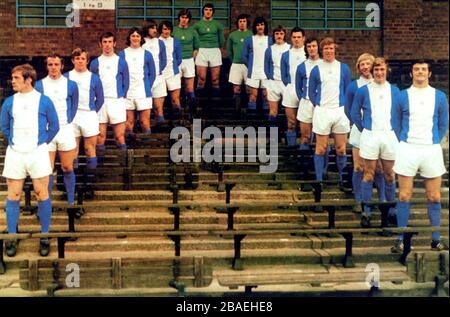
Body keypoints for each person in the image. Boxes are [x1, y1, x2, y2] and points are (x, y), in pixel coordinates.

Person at [1, 64, 59, 257]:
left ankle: (44, 235)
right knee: (13, 194)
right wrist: (16, 143)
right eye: (12, 77)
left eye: (16, 78)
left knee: (41, 193)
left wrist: (40, 143)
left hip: (38, 152)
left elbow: (55, 126)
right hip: (16, 153)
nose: (12, 81)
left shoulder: (44, 101)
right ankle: (11, 237)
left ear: (28, 80)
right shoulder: (9, 102)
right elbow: (4, 127)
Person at [391, 60, 449, 252]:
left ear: (429, 74)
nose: (420, 72)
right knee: (404, 195)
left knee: (434, 196)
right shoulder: (402, 95)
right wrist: (405, 140)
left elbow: (443, 123)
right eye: (416, 69)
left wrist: (433, 141)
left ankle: (435, 238)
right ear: (411, 74)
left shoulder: (439, 96)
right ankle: (400, 238)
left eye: (423, 69)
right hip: (408, 148)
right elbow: (395, 121)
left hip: (431, 149)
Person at [351, 57, 400, 228]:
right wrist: (364, 128)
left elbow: (401, 113)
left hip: (388, 135)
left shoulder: (394, 90)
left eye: (382, 70)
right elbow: (354, 112)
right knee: (368, 173)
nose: (379, 73)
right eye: (376, 70)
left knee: (389, 174)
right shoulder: (363, 90)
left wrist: (396, 131)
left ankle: (391, 212)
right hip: (370, 136)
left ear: (387, 72)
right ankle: (366, 212)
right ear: (372, 72)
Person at [345, 53, 388, 208]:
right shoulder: (353, 86)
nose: (365, 67)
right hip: (360, 129)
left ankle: (383, 200)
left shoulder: (384, 85)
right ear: (358, 67)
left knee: (379, 167)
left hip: (380, 131)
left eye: (368, 63)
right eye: (361, 64)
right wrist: (361, 125)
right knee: (359, 166)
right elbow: (348, 109)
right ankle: (359, 200)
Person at [35, 54, 79, 206]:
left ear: (62, 66)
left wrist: (66, 122)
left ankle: (71, 202)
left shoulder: (71, 84)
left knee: (67, 166)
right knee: (47, 168)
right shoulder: (40, 85)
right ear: (46, 66)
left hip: (65, 129)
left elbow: (73, 106)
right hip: (47, 131)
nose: (53, 67)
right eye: (50, 64)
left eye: (56, 64)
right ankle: (47, 202)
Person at [309, 37, 352, 191]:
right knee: (321, 148)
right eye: (325, 48)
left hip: (340, 111)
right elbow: (311, 91)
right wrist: (320, 105)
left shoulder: (344, 68)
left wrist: (343, 106)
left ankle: (343, 180)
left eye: (331, 48)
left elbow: (348, 89)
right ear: (322, 51)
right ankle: (319, 181)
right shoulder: (316, 69)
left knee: (341, 148)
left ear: (335, 50)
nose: (328, 51)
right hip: (323, 111)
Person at [66, 48, 104, 197]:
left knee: (89, 149)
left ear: (87, 61)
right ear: (73, 60)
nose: (80, 61)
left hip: (89, 115)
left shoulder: (94, 78)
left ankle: (89, 185)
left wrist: (92, 110)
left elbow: (100, 99)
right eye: (77, 58)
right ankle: (72, 186)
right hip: (72, 117)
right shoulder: (67, 77)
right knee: (73, 150)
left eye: (83, 58)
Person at [90, 32, 129, 158]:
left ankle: (123, 165)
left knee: (120, 136)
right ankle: (101, 169)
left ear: (115, 43)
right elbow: (92, 84)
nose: (107, 45)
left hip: (116, 101)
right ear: (100, 44)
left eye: (110, 42)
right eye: (105, 42)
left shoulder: (121, 62)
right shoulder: (95, 63)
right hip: (100, 102)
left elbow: (126, 83)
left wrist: (120, 96)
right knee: (100, 137)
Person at [120, 27, 156, 136]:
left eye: (137, 36)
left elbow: (152, 74)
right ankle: (129, 147)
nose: (135, 38)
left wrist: (147, 86)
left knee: (144, 122)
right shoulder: (122, 54)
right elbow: (119, 73)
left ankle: (147, 148)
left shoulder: (147, 54)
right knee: (128, 123)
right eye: (133, 36)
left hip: (143, 92)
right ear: (129, 38)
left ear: (141, 38)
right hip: (127, 93)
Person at [280, 27, 306, 146]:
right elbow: (284, 75)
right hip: (290, 89)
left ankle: (304, 152)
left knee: (306, 123)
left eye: (299, 37)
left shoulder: (308, 52)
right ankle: (290, 150)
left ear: (303, 38)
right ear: (291, 38)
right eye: (294, 37)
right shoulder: (286, 55)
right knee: (291, 122)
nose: (296, 39)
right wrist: (290, 87)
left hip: (305, 90)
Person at [193, 3, 225, 98]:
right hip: (201, 51)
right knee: (201, 79)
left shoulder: (217, 25)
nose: (208, 12)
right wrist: (196, 50)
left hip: (214, 50)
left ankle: (215, 104)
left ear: (213, 12)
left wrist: (217, 49)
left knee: (215, 79)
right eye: (206, 9)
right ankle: (199, 104)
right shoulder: (197, 25)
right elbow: (194, 38)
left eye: (210, 10)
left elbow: (222, 40)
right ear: (203, 11)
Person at [295, 37, 322, 150]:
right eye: (309, 46)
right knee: (305, 137)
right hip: (306, 103)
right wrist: (305, 98)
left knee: (321, 138)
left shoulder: (324, 64)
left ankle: (320, 166)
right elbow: (298, 88)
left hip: (321, 104)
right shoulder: (301, 66)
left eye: (314, 46)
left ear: (318, 48)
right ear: (306, 49)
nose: (311, 49)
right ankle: (304, 165)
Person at [242, 16, 272, 113]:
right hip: (253, 73)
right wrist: (251, 67)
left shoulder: (270, 40)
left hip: (266, 73)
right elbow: (244, 57)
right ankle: (252, 120)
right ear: (255, 27)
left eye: (262, 25)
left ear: (265, 26)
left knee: (265, 96)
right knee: (253, 96)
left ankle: (265, 121)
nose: (260, 27)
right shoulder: (250, 40)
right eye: (258, 25)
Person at [173, 9, 200, 108]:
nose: (184, 20)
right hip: (176, 61)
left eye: (186, 18)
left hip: (189, 60)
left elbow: (196, 48)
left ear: (189, 19)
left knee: (190, 87)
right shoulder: (174, 30)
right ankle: (178, 110)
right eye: (182, 17)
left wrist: (191, 58)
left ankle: (192, 111)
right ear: (179, 18)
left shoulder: (193, 31)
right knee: (176, 87)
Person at [142, 20, 168, 124]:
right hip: (144, 79)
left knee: (159, 107)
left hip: (158, 77)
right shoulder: (141, 41)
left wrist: (157, 71)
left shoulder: (159, 42)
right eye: (152, 28)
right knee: (144, 108)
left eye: (156, 28)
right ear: (146, 28)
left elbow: (163, 60)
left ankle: (161, 132)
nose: (155, 30)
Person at [263, 25, 290, 123]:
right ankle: (273, 136)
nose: (279, 36)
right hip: (273, 83)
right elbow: (266, 67)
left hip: (286, 83)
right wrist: (269, 82)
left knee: (289, 112)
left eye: (281, 34)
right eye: (277, 34)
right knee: (273, 111)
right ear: (273, 35)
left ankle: (287, 135)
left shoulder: (289, 48)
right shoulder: (269, 49)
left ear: (284, 35)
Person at [227, 13, 252, 109]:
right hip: (236, 64)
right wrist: (234, 60)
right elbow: (229, 51)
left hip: (248, 65)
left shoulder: (251, 35)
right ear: (237, 23)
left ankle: (247, 109)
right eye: (240, 21)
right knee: (236, 89)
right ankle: (236, 109)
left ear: (247, 23)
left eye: (244, 21)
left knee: (249, 88)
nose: (242, 23)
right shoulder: (232, 35)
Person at [159, 20, 183, 119]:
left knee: (175, 99)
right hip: (160, 74)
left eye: (169, 29)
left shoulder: (176, 42)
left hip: (173, 73)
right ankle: (160, 122)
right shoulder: (156, 42)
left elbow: (179, 59)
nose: (167, 31)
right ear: (161, 29)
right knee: (160, 100)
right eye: (165, 29)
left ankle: (179, 121)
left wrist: (172, 68)